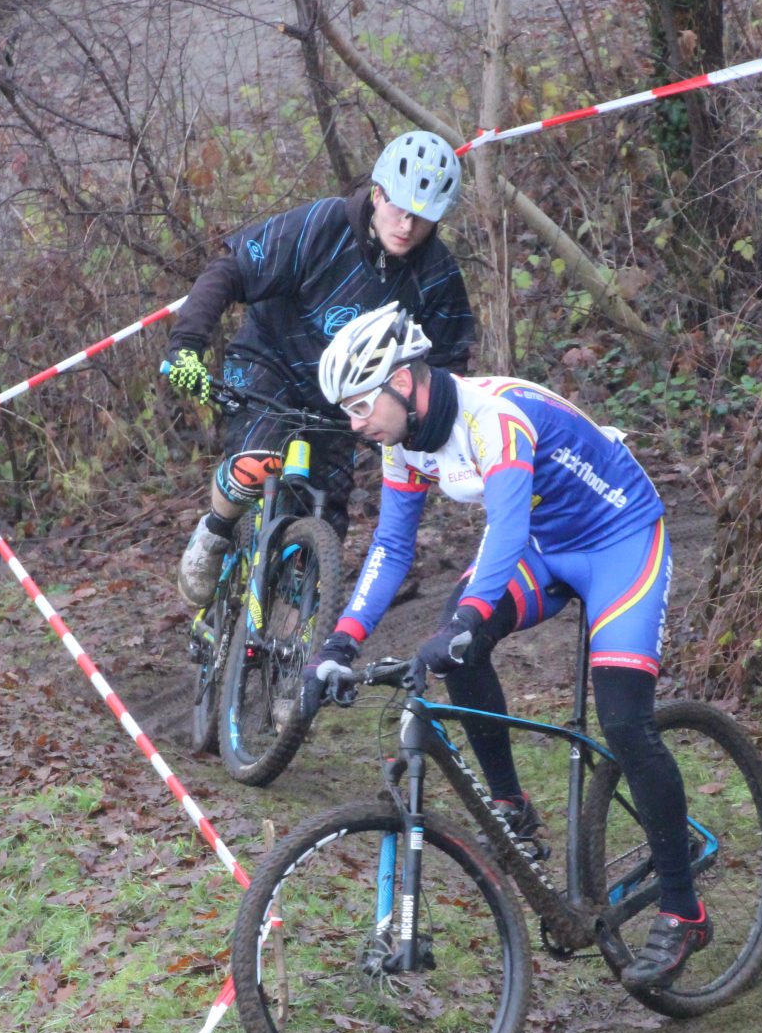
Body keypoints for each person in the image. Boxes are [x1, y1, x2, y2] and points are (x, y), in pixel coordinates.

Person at [300, 303, 704, 991]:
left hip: (620, 540)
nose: (353, 422)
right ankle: (512, 807)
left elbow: (507, 530)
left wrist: (464, 616)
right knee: (461, 647)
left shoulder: (494, 418)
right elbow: (392, 547)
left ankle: (682, 909)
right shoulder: (402, 443)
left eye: (361, 403)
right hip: (547, 547)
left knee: (625, 722)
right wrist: (338, 641)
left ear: (406, 382)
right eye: (346, 407)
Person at [162, 131, 478, 607]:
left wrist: (423, 427)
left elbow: (448, 363)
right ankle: (213, 531)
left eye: (424, 218)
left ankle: (292, 655)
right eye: (399, 210)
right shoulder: (322, 225)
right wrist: (186, 347)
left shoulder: (436, 274)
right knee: (254, 464)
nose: (408, 227)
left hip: (346, 404)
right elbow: (229, 271)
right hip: (272, 365)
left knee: (325, 526)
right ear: (377, 195)